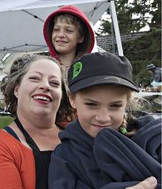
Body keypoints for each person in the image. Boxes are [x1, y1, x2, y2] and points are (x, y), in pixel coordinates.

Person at [48, 52, 161, 189]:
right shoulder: (65, 157)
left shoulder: (155, 138)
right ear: (73, 100)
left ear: (127, 103)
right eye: (91, 104)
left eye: (115, 106)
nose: (103, 118)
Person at [0, 54, 70, 189]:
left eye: (54, 83)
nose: (46, 86)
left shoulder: (78, 134)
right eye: (35, 78)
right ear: (16, 89)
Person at [43, 5, 95, 69]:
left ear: (80, 37)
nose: (61, 35)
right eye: (56, 29)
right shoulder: (42, 68)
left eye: (68, 30)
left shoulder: (90, 69)